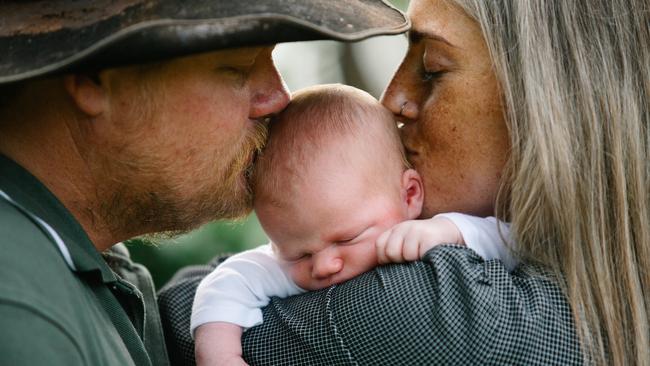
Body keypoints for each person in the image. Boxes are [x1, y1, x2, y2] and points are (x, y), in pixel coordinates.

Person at [159, 0, 649, 365]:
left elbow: (167, 323)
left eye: (432, 69)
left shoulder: (446, 309)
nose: (392, 98)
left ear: (552, 105)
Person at [0, 1, 409, 365]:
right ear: (95, 76)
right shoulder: (22, 314)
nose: (277, 98)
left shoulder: (62, 266)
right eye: (237, 67)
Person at [190, 84, 516, 365]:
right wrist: (220, 354)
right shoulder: (288, 265)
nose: (323, 266)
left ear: (410, 194)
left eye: (347, 238)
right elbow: (228, 283)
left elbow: (517, 243)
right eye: (298, 253)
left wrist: (452, 230)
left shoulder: (435, 232)